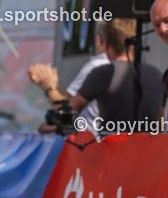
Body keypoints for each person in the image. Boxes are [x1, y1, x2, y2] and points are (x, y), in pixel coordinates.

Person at [29, 19, 164, 137]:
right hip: (148, 155)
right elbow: (160, 124)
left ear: (105, 44)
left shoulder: (103, 73)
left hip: (113, 152)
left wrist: (48, 125)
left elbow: (68, 114)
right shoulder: (157, 74)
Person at [29, 30, 109, 134]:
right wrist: (53, 84)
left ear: (99, 40)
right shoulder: (128, 66)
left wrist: (49, 87)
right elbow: (72, 98)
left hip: (92, 144)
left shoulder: (97, 66)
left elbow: (66, 109)